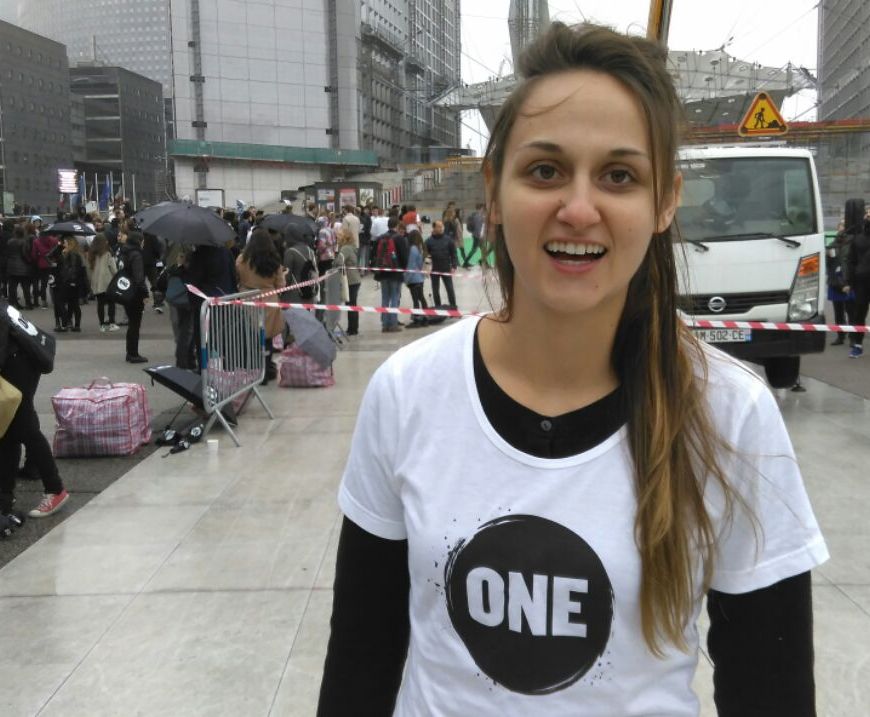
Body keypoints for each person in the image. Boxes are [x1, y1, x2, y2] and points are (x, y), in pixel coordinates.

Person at [317, 22, 827, 716]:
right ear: (494, 192)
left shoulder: (732, 415)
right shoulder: (409, 393)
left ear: (665, 201)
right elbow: (360, 661)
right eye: (545, 170)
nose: (579, 209)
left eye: (619, 176)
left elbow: (771, 691)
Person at [0, 300, 69, 522]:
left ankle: (55, 489)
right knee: (9, 430)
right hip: (21, 360)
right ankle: (4, 497)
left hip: (16, 364)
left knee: (25, 428)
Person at [236, 229, 285, 384]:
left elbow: (238, 277)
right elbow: (281, 285)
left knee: (250, 337)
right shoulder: (274, 261)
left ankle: (253, 370)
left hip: (247, 299)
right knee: (267, 338)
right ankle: (266, 369)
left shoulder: (242, 259)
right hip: (269, 301)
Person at [844, 197, 870, 358]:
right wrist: (848, 282)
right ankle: (857, 345)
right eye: (867, 213)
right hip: (862, 282)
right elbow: (851, 261)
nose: (868, 215)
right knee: (859, 313)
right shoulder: (858, 238)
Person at [118, 231, 149, 363]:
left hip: (126, 289)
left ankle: (130, 351)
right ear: (138, 241)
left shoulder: (124, 252)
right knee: (135, 324)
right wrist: (145, 293)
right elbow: (139, 277)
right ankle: (133, 353)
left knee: (132, 323)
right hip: (135, 293)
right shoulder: (136, 255)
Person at [373, 217, 408, 333]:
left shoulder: (381, 238)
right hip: (395, 273)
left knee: (385, 298)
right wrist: (404, 269)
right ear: (397, 226)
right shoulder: (399, 238)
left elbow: (374, 255)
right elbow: (404, 256)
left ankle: (385, 324)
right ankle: (393, 324)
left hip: (383, 272)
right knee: (394, 297)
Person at [827, 219, 853, 346]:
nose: (842, 227)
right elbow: (829, 265)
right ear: (838, 228)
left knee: (851, 310)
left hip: (849, 282)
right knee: (838, 312)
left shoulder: (853, 244)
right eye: (841, 225)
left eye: (844, 225)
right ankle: (840, 336)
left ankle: (854, 337)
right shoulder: (832, 245)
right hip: (835, 282)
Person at [86, 233, 120, 332]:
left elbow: (89, 270)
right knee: (111, 303)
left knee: (100, 304)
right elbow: (113, 269)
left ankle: (102, 325)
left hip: (97, 283)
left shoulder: (91, 255)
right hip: (108, 282)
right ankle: (112, 323)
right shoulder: (108, 253)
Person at [425, 219, 458, 308]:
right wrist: (426, 269)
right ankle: (438, 307)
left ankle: (453, 307)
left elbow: (454, 254)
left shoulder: (449, 240)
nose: (441, 228)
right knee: (435, 290)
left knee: (450, 289)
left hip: (446, 268)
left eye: (442, 226)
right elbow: (426, 256)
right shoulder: (428, 241)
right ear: (434, 228)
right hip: (434, 269)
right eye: (439, 226)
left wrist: (454, 266)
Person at [56, 237, 86, 332]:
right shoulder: (76, 254)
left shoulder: (71, 254)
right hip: (75, 283)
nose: (63, 244)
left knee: (60, 301)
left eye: (65, 242)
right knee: (74, 303)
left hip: (68, 282)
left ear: (69, 244)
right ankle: (76, 325)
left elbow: (70, 269)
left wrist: (63, 255)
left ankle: (65, 323)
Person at [337, 226, 361, 336]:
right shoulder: (352, 246)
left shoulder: (345, 248)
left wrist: (334, 263)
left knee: (350, 304)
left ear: (344, 237)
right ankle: (353, 327)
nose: (337, 237)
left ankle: (352, 329)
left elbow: (339, 261)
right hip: (355, 278)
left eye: (339, 235)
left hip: (350, 279)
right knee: (352, 304)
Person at [404, 229, 428, 328]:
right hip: (420, 277)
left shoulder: (413, 249)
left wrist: (406, 279)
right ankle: (425, 318)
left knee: (415, 300)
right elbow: (419, 264)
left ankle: (417, 320)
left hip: (413, 278)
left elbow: (411, 265)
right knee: (421, 298)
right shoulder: (420, 248)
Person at [463, 202, 485, 268]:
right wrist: (479, 236)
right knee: (474, 250)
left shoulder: (475, 215)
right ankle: (465, 262)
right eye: (483, 208)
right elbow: (477, 228)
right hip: (477, 236)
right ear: (481, 208)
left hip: (475, 235)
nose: (483, 210)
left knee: (483, 249)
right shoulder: (478, 217)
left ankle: (483, 261)